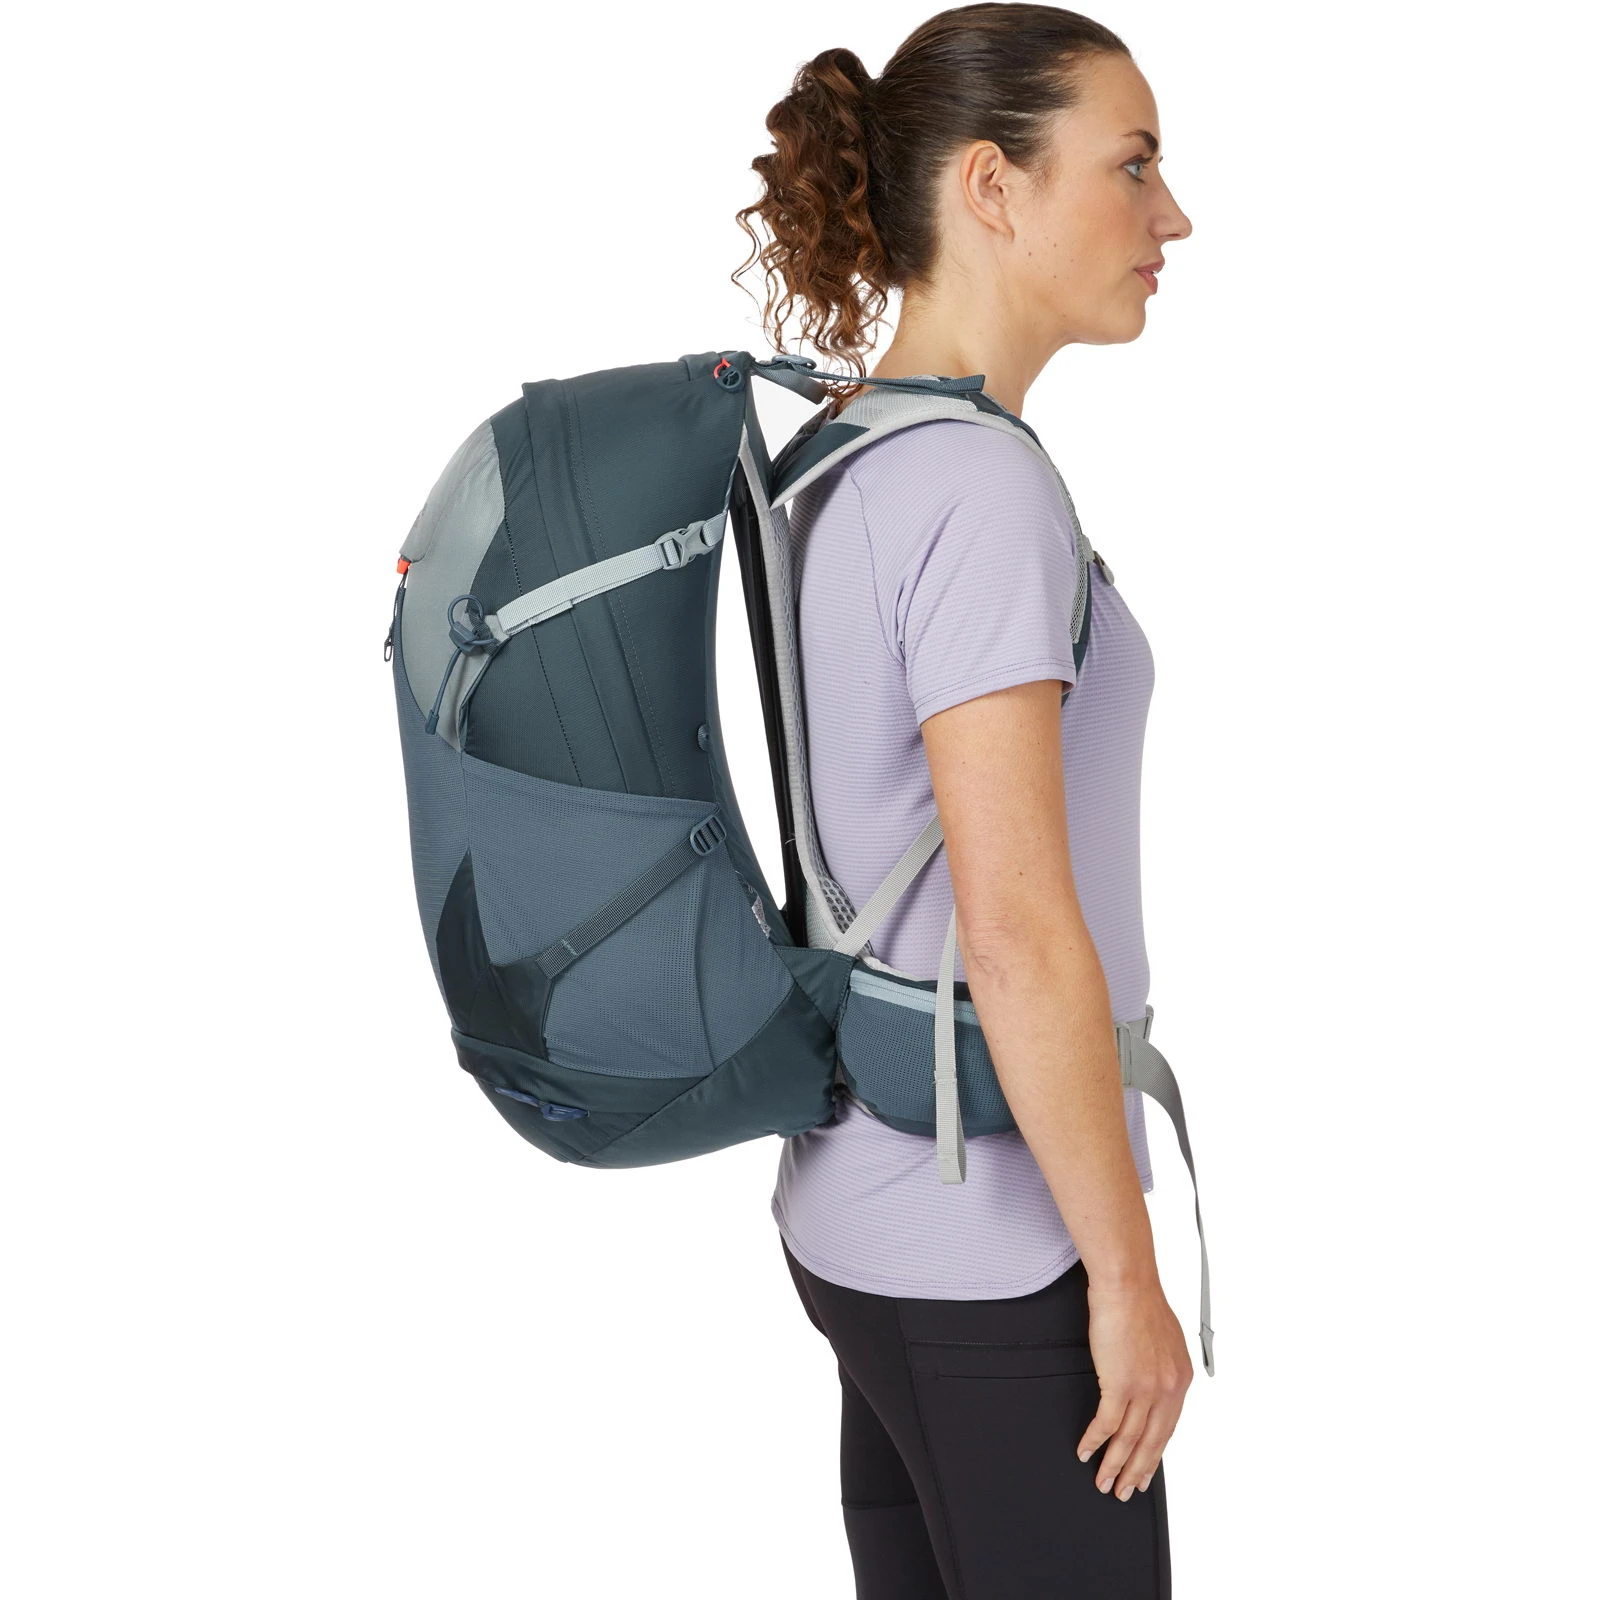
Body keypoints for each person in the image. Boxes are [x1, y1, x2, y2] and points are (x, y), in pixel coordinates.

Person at [732, 7, 1197, 1597]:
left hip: (862, 1215)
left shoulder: (842, 451)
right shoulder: (981, 488)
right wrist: (1124, 1277)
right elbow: (1015, 931)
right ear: (993, 186)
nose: (1173, 216)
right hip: (997, 1251)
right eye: (1133, 166)